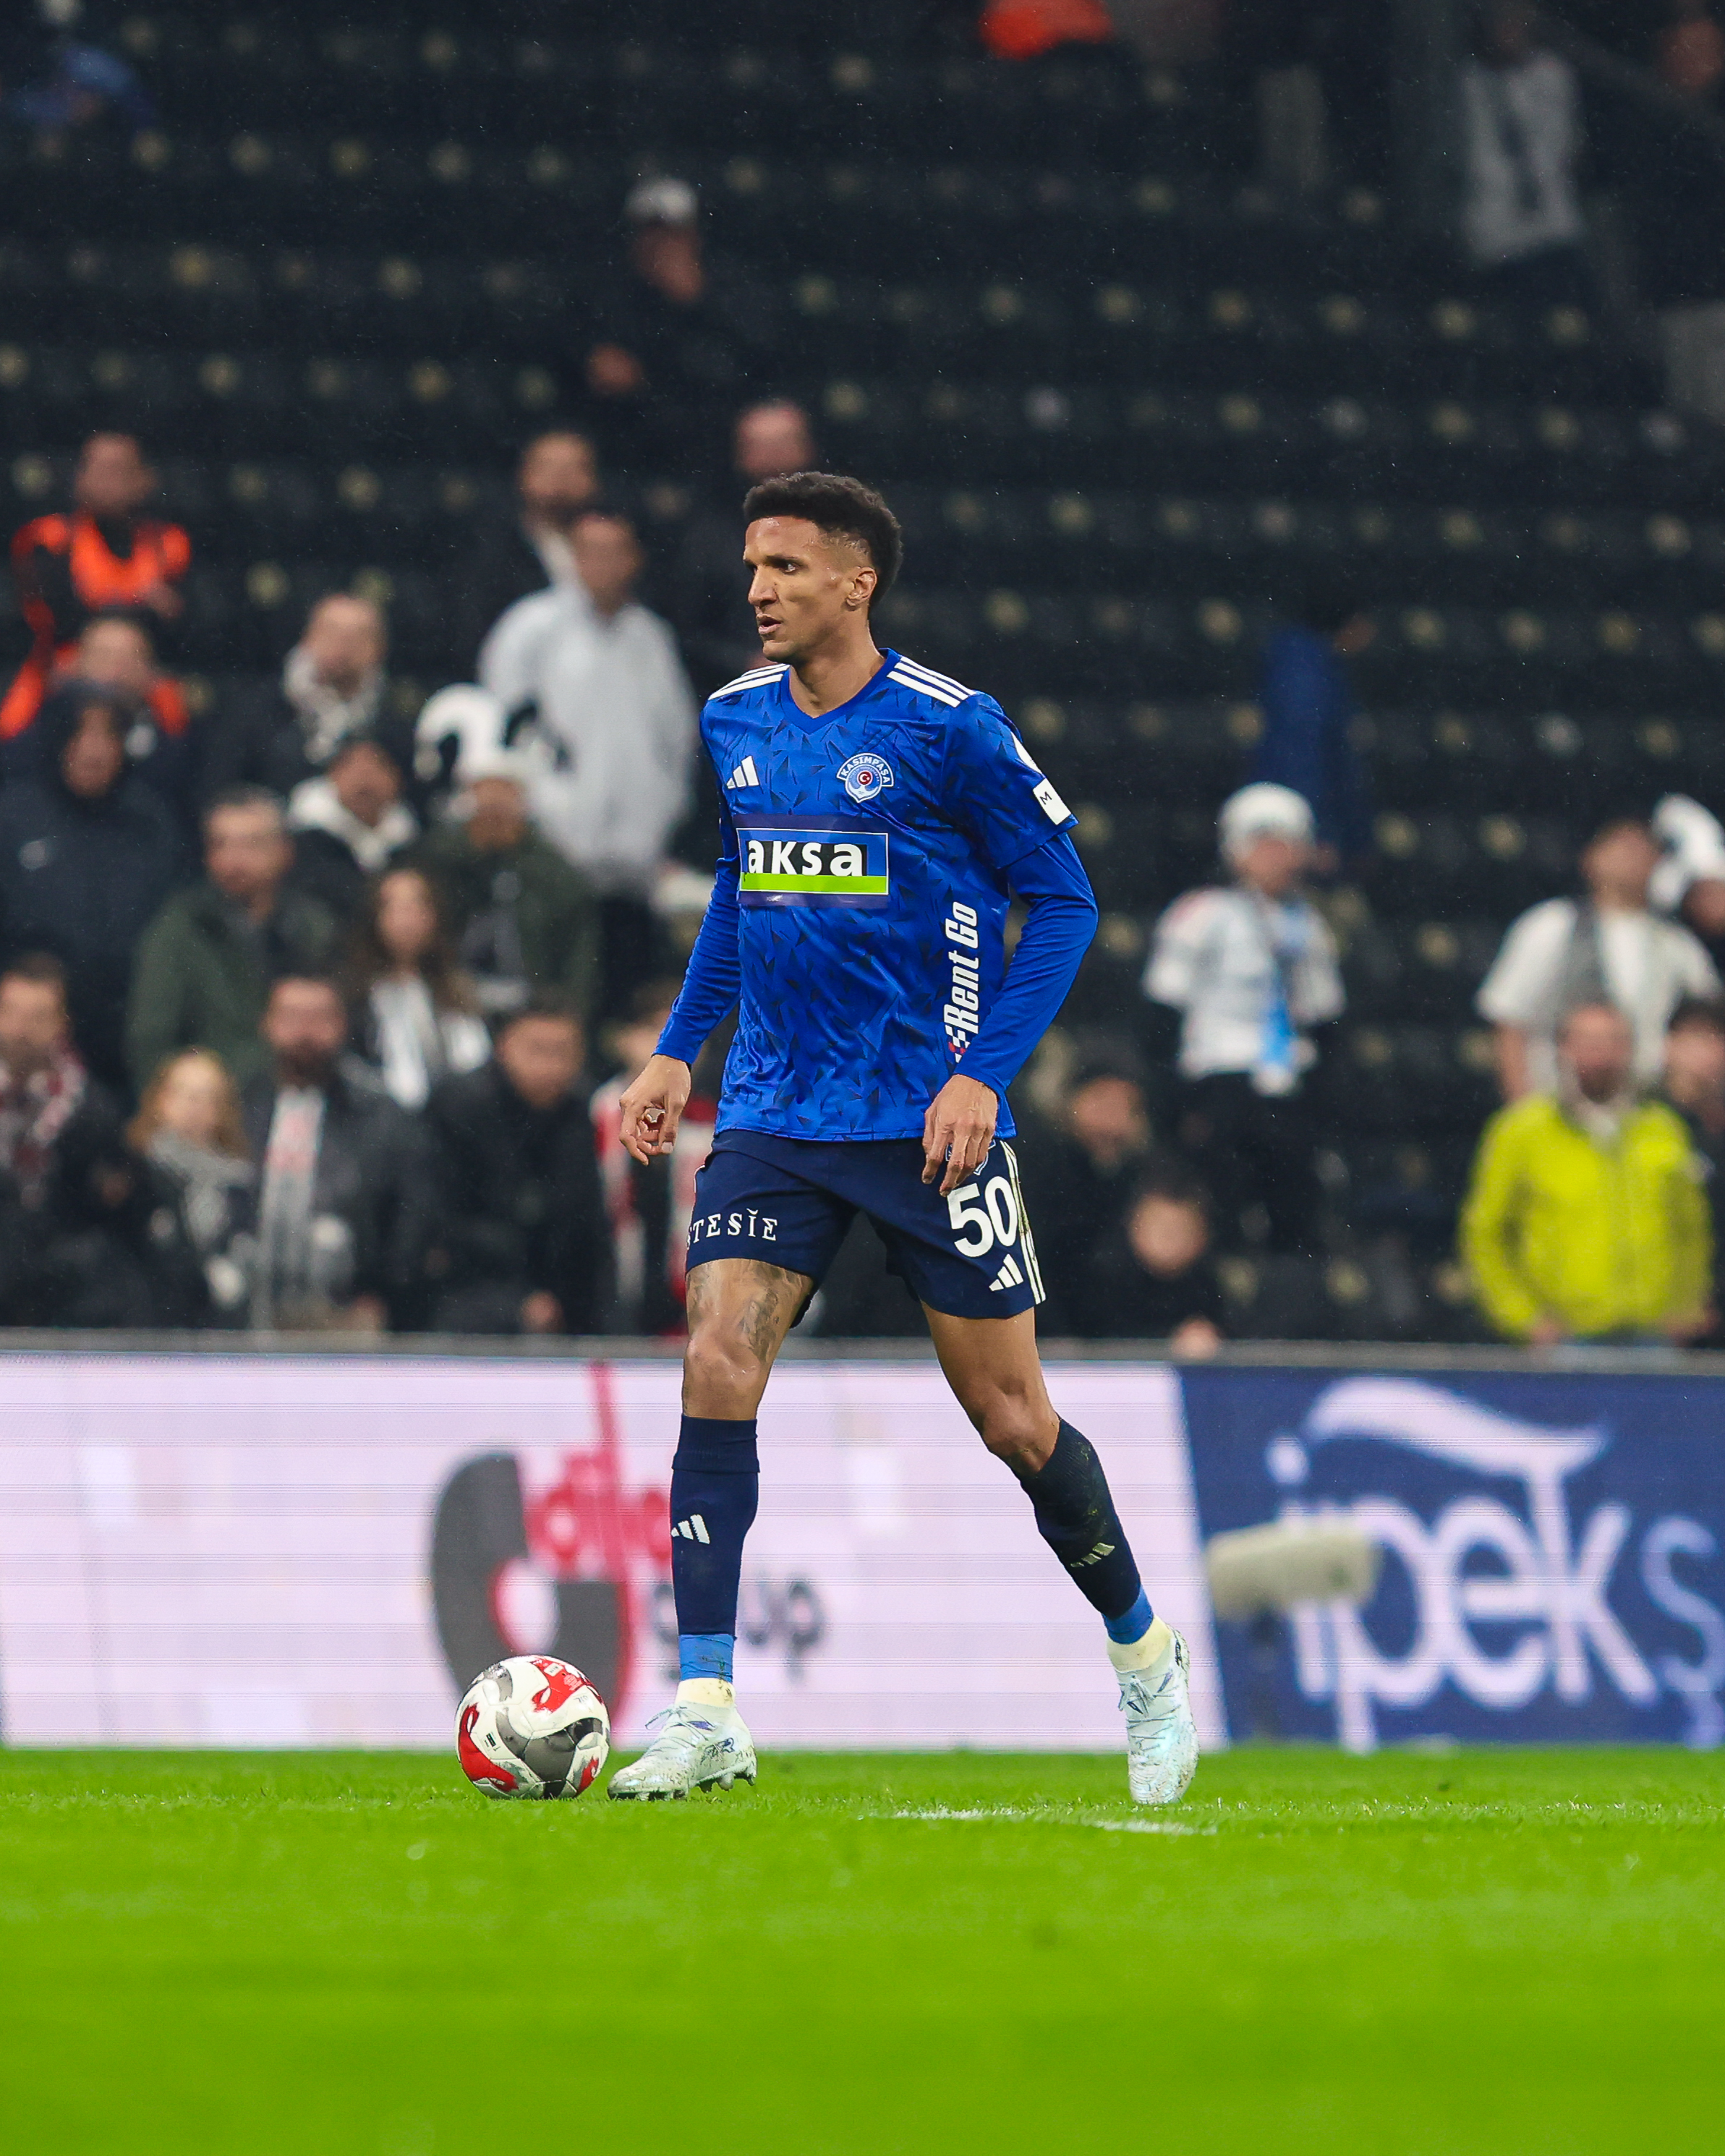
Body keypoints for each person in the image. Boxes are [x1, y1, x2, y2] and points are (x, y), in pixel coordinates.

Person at [612, 469, 1197, 1806]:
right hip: (774, 1109)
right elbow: (740, 889)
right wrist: (677, 1046)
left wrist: (982, 1075)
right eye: (752, 566)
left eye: (785, 567)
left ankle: (1144, 1651)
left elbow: (1063, 902)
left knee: (1011, 1417)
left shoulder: (950, 728)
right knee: (716, 1359)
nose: (759, 591)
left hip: (928, 1124)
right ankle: (706, 1703)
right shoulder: (734, 719)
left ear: (856, 581)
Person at [486, 512, 697, 1019]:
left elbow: (676, 740)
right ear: (573, 558)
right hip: (553, 853)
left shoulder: (651, 637)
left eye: (614, 551)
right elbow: (505, 727)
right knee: (561, 993)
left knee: (627, 997)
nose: (602, 563)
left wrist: (663, 816)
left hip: (634, 861)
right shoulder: (532, 627)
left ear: (634, 561)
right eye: (590, 551)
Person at [1145, 783, 1344, 1255]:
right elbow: (1163, 1007)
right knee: (1220, 1203)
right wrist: (1177, 1101)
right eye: (1262, 844)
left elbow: (1324, 1015)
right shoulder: (1201, 914)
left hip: (1286, 1083)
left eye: (1286, 844)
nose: (1275, 857)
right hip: (1218, 1079)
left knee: (1294, 1208)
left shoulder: (1309, 926)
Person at [1462, 1000, 1711, 1345]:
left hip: (1653, 1332)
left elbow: (1690, 1228)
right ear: (1562, 1049)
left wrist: (1686, 1307)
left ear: (1630, 1050)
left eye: (1612, 1041)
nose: (1600, 1054)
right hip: (1566, 1334)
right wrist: (1523, 1318)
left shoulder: (1662, 1128)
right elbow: (1486, 1232)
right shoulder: (1523, 1131)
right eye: (1586, 1041)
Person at [0, 682, 184, 1090]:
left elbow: (169, 923)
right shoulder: (13, 817)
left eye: (108, 735)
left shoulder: (151, 821)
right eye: (79, 733)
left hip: (129, 1020)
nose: (93, 750)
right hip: (34, 1021)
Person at [1477, 817, 1718, 1100]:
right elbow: (1511, 1022)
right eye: (1621, 847)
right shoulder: (1551, 925)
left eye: (1643, 850)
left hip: (1646, 1104)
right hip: (1558, 1100)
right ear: (1591, 857)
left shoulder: (1677, 943)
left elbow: (1707, 1023)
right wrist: (1521, 1105)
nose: (1632, 858)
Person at [242, 974, 432, 1332]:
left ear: (342, 1026)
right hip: (246, 1306)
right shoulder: (239, 1105)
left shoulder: (382, 1114)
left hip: (348, 1308)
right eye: (292, 1017)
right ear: (267, 1024)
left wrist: (384, 1293)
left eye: (318, 1018)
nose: (305, 1032)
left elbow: (411, 1215)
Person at [127, 788, 341, 1092]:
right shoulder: (180, 930)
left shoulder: (314, 927)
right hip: (215, 1102)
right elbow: (152, 1041)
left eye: (251, 844)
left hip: (305, 1094)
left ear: (284, 851)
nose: (233, 860)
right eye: (220, 845)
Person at [425, 997, 610, 1335]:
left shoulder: (582, 1111)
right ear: (503, 1048)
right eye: (537, 1050)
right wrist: (518, 1298)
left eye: (562, 1052)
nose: (550, 1066)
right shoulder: (458, 1106)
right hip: (467, 1285)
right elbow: (439, 1219)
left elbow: (588, 1222)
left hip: (560, 1285)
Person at [0, 953, 166, 1326]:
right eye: (10, 1012)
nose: (20, 1030)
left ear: (63, 1024)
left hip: (67, 1294)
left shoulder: (94, 1112)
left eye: (37, 1017)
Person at [4, 432, 189, 738]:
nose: (108, 482)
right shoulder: (50, 539)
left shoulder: (169, 544)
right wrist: (139, 606)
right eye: (98, 469)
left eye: (119, 471)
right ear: (79, 478)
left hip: (141, 672)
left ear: (145, 480)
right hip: (63, 670)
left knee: (179, 729)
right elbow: (50, 618)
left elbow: (183, 627)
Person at [407, 741, 599, 1020]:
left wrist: (569, 1013)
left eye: (505, 790)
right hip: (447, 998)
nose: (495, 801)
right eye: (486, 790)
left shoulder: (554, 872)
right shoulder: (437, 859)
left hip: (532, 1006)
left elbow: (578, 953)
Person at [674, 399, 820, 692]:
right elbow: (688, 631)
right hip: (741, 694)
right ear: (742, 455)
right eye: (762, 446)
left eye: (783, 443)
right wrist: (745, 662)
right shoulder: (709, 536)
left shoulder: (845, 525)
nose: (774, 458)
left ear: (808, 448)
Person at [209, 594, 411, 804]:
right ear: (308, 637)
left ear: (380, 647)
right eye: (332, 632)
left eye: (358, 636)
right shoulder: (256, 709)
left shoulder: (395, 717)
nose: (344, 646)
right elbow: (223, 788)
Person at [1458, 2, 1591, 309]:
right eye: (1502, 23)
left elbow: (1568, 145)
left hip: (1555, 224)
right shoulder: (1467, 85)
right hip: (1496, 233)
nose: (1510, 32)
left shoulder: (1553, 75)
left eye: (1517, 22)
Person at [1011, 1041, 1152, 1324]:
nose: (1112, 1117)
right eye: (1101, 1100)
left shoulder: (1142, 1178)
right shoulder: (1036, 1165)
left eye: (1126, 1106)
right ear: (1071, 1100)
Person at [1, 613, 194, 817]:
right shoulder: (41, 728)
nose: (113, 672)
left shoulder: (174, 741)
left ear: (149, 671)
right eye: (103, 656)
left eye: (128, 659)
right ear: (76, 663)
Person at [1251, 580, 1373, 874]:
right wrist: (1318, 834)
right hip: (1292, 821)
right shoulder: (1305, 672)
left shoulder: (1314, 663)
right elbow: (1302, 752)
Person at [344, 867, 490, 1112]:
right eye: (394, 908)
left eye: (416, 907)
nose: (406, 920)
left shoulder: (459, 989)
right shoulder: (356, 994)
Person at [453, 430, 603, 662]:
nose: (561, 481)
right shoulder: (493, 549)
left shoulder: (613, 543)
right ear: (524, 475)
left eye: (574, 469)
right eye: (550, 468)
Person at [128, 1048, 254, 1325]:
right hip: (151, 1321)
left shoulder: (239, 1182)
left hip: (218, 1325)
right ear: (160, 1099)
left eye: (206, 1097)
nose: (194, 1106)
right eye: (183, 1093)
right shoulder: (138, 1173)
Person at [1074, 1155, 1227, 1355]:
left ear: (1202, 1236)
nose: (1168, 1241)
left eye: (1181, 1231)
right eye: (1159, 1229)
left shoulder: (1208, 1287)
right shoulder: (1103, 1281)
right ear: (1134, 1227)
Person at [286, 735, 418, 926]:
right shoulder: (306, 841)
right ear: (332, 775)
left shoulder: (409, 841)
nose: (364, 781)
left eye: (376, 768)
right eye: (352, 768)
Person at [1661, 994, 1725, 1338]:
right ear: (1668, 1046)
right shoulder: (1643, 1123)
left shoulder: (1716, 1129)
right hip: (1668, 1314)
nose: (1707, 1054)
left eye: (1716, 1040)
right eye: (1695, 1039)